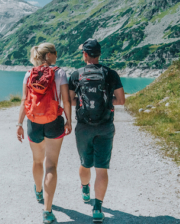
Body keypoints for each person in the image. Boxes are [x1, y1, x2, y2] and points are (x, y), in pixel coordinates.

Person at [68, 39, 125, 223]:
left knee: (85, 163)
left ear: (85, 54)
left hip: (84, 127)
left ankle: (85, 189)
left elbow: (70, 100)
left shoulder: (76, 74)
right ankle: (98, 209)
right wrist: (107, 103)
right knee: (101, 169)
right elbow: (121, 100)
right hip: (105, 126)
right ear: (99, 54)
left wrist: (83, 103)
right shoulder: (110, 74)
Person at [16, 42, 72, 224]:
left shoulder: (28, 73)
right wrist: (69, 121)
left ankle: (38, 190)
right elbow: (66, 100)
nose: (57, 55)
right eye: (55, 52)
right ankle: (47, 212)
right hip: (54, 121)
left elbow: (24, 100)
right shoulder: (60, 73)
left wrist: (19, 123)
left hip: (33, 122)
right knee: (51, 166)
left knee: (37, 160)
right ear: (48, 55)